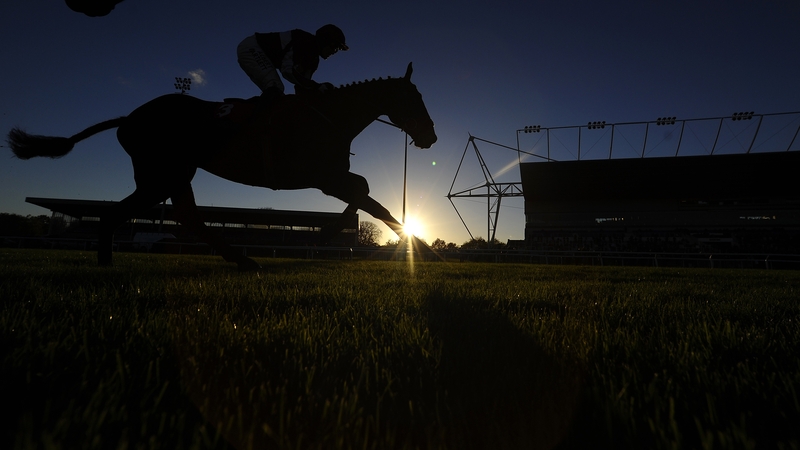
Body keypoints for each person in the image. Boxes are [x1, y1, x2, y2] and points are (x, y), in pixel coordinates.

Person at [237, 24, 348, 106]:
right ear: (326, 40)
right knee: (275, 86)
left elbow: (302, 87)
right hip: (252, 47)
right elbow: (288, 71)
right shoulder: (304, 40)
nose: (334, 52)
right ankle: (250, 119)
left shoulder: (314, 61)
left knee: (276, 93)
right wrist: (317, 87)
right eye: (335, 47)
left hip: (257, 53)